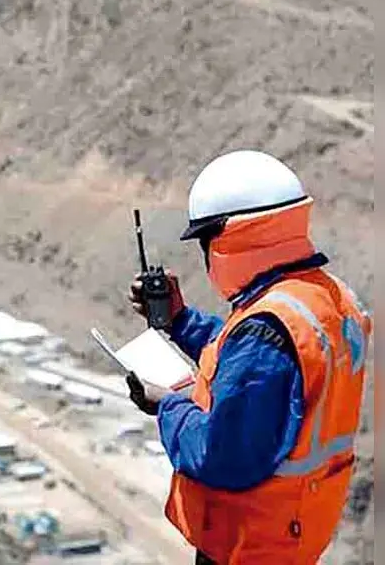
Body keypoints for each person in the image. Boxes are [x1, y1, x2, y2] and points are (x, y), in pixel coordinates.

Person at [125, 150, 372, 564]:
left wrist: (166, 405)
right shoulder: (324, 297)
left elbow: (221, 457)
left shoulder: (267, 331)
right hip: (295, 529)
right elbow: (252, 360)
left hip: (250, 544)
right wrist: (181, 321)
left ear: (227, 239)